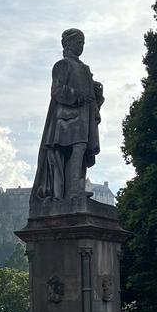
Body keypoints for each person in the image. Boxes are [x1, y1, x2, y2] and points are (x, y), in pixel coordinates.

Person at [31, 27, 103, 203]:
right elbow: (57, 90)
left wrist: (96, 93)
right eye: (79, 42)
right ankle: (72, 192)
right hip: (66, 121)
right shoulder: (62, 65)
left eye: (83, 43)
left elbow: (92, 97)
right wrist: (78, 96)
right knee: (73, 151)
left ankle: (76, 189)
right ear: (68, 44)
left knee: (81, 152)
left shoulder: (85, 68)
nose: (81, 46)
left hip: (83, 120)